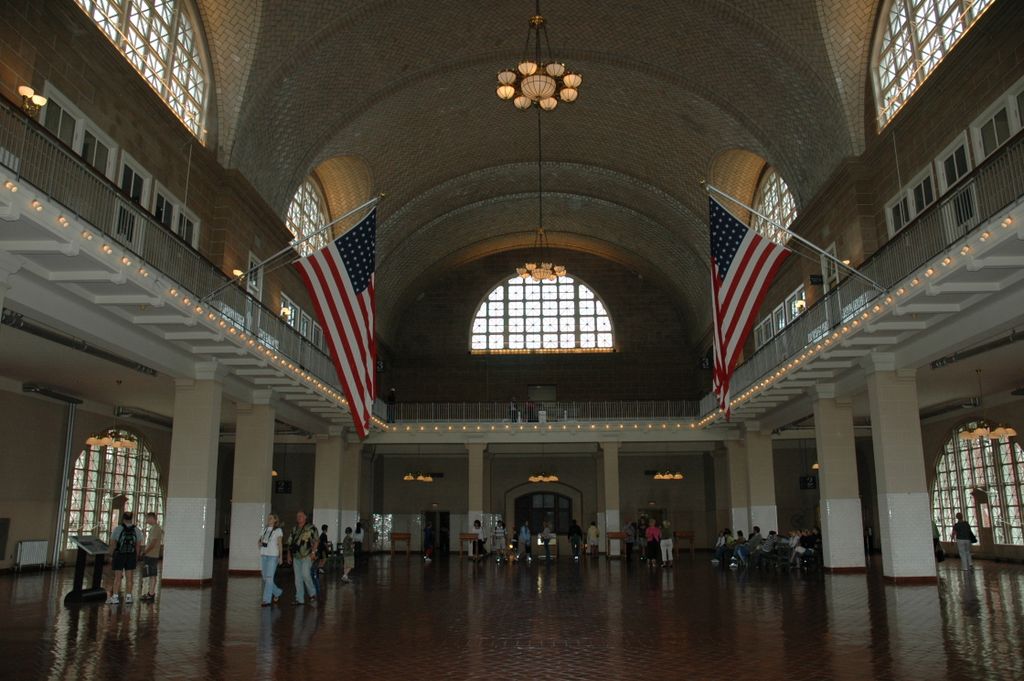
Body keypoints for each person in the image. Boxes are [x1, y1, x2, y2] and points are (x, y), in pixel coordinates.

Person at [106, 511, 142, 605]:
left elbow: (113, 544)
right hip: (131, 555)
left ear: (123, 518)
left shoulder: (118, 529)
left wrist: (110, 555)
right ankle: (129, 597)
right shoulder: (136, 530)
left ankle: (115, 597)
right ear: (131, 519)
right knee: (129, 577)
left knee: (117, 577)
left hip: (119, 555)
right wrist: (136, 556)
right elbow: (138, 545)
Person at [285, 510, 319, 605]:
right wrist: (288, 555)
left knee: (305, 574)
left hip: (307, 555)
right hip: (296, 556)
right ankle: (299, 598)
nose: (298, 517)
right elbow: (289, 543)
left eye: (300, 515)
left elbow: (316, 541)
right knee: (298, 578)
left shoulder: (311, 528)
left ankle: (312, 593)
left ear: (305, 517)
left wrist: (313, 552)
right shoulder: (294, 529)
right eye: (297, 516)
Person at [258, 513, 284, 606]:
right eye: (268, 518)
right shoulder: (264, 530)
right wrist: (259, 543)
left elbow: (280, 544)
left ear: (275, 520)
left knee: (269, 578)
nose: (269, 519)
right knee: (265, 577)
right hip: (264, 555)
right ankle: (277, 592)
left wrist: (281, 557)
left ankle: (266, 600)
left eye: (271, 518)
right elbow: (260, 540)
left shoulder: (278, 530)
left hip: (273, 556)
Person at [139, 511, 163, 602]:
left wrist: (144, 552)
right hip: (153, 554)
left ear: (152, 518)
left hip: (151, 555)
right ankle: (150, 592)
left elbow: (153, 543)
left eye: (147, 519)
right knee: (152, 574)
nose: (146, 521)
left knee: (151, 574)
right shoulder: (155, 528)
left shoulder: (155, 529)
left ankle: (151, 593)